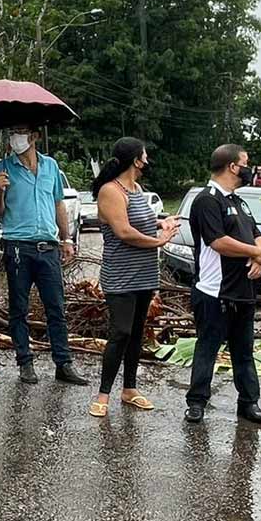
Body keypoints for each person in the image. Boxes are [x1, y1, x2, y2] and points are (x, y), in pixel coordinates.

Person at [86, 138, 180, 417]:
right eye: (145, 156)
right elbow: (124, 231)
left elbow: (139, 220)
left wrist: (160, 222)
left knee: (137, 332)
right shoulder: (110, 190)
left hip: (144, 274)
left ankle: (129, 389)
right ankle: (103, 394)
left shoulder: (136, 189)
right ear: (136, 160)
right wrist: (159, 241)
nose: (147, 161)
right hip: (120, 276)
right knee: (120, 332)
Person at [0, 125, 88, 385]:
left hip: (48, 247)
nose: (14, 137)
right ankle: (25, 362)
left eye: (20, 132)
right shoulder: (3, 170)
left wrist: (66, 239)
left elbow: (58, 204)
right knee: (18, 308)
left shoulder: (51, 166)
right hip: (18, 246)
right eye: (12, 133)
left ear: (34, 136)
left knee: (56, 308)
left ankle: (63, 364)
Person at [184, 144, 261, 425]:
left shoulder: (239, 201)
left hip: (243, 290)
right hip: (214, 291)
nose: (249, 167)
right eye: (246, 162)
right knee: (208, 348)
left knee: (244, 351)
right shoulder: (207, 200)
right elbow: (218, 242)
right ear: (233, 166)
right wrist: (254, 253)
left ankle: (249, 403)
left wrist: (260, 256)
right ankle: (196, 402)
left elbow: (257, 234)